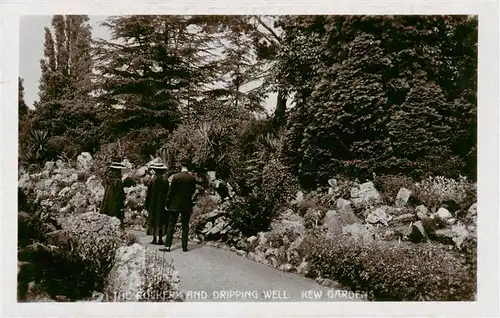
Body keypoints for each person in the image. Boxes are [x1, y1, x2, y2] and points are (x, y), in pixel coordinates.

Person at [163, 159, 197, 252]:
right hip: (186, 204)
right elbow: (193, 191)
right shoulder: (192, 178)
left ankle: (168, 246)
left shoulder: (176, 177)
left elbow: (171, 192)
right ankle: (184, 246)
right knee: (185, 225)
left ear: (180, 166)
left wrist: (167, 203)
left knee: (171, 225)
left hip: (175, 204)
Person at [144, 161, 169, 245]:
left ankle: (154, 238)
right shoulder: (165, 181)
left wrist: (146, 204)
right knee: (161, 221)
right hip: (162, 203)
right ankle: (160, 239)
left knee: (153, 220)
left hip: (153, 203)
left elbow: (148, 194)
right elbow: (167, 193)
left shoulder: (152, 181)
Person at [100, 160, 126, 228]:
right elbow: (120, 193)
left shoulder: (107, 179)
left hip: (106, 203)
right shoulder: (118, 181)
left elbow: (103, 184)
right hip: (116, 203)